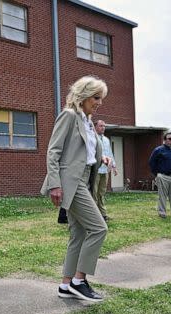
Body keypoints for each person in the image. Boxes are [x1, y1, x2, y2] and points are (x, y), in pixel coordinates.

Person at [40, 76, 110, 302]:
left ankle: (65, 285)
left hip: (87, 178)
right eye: (96, 97)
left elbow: (84, 153)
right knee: (99, 228)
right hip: (72, 181)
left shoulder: (87, 121)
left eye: (101, 98)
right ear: (84, 95)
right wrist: (55, 184)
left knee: (78, 233)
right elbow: (54, 151)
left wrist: (102, 158)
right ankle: (79, 281)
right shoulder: (69, 116)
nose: (99, 102)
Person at [148, 132, 171, 218]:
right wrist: (157, 174)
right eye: (169, 138)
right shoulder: (158, 150)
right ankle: (162, 213)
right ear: (164, 140)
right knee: (162, 196)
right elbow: (151, 162)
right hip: (163, 176)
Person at [93, 120, 118, 221]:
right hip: (96, 170)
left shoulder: (107, 140)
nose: (103, 128)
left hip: (105, 171)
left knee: (102, 193)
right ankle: (94, 216)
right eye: (100, 126)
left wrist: (114, 167)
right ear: (95, 127)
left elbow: (110, 154)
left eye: (104, 126)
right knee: (94, 193)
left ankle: (103, 215)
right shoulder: (93, 138)